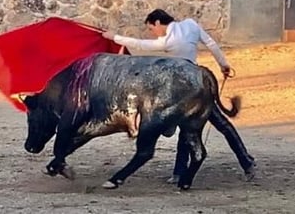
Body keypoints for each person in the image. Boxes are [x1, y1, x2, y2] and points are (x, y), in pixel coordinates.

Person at [102, 9, 256, 183]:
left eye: (152, 29)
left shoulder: (167, 41)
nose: (153, 34)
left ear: (158, 22)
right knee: (221, 125)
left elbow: (141, 44)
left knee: (188, 128)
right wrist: (223, 64)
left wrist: (114, 37)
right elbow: (211, 43)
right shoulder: (190, 24)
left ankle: (179, 172)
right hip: (199, 80)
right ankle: (246, 162)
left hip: (182, 88)